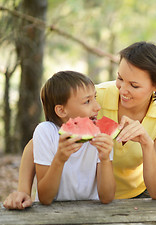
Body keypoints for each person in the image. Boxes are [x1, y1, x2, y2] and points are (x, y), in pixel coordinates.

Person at [3, 41, 156, 209]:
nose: (122, 90)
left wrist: (147, 144)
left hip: (135, 197)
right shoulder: (95, 98)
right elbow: (38, 143)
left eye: (134, 85)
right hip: (92, 199)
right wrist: (23, 190)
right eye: (120, 78)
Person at [34, 71, 115, 205]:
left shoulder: (100, 134)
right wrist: (59, 159)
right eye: (87, 101)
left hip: (92, 213)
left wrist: (105, 159)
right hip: (52, 215)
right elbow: (45, 198)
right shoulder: (45, 132)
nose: (98, 107)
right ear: (61, 110)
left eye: (95, 98)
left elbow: (107, 197)